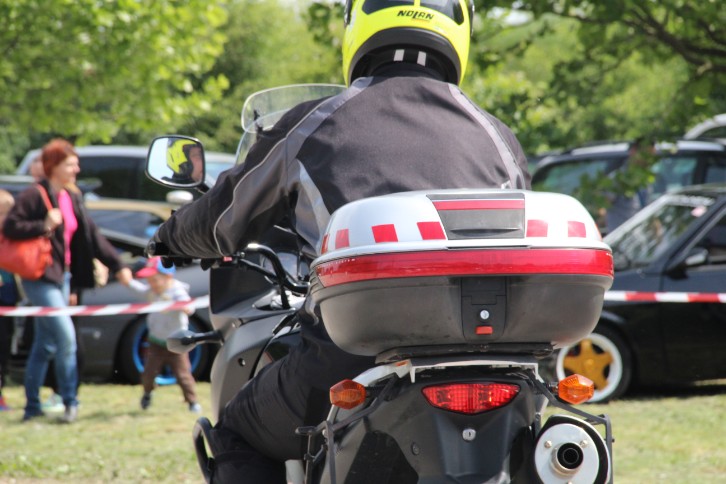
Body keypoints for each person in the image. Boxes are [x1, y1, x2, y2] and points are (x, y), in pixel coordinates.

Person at [149, 1, 530, 481]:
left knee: (237, 430)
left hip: (351, 359)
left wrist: (168, 236)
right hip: (495, 364)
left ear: (358, 27)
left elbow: (222, 218)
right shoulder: (497, 136)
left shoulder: (315, 123)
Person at [3, 138, 133, 423]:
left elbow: (92, 235)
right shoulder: (34, 195)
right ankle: (70, 402)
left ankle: (32, 407)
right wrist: (43, 225)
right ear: (54, 166)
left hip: (64, 278)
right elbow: (11, 227)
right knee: (66, 339)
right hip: (39, 278)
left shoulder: (71, 196)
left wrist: (118, 265)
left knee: (44, 344)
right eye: (71, 164)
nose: (77, 169)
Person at [122, 256, 201, 413]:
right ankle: (147, 393)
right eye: (149, 280)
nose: (151, 284)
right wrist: (127, 282)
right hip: (156, 341)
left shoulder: (177, 291)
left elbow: (188, 304)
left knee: (183, 375)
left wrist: (186, 308)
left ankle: (192, 401)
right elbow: (139, 290)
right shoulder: (152, 291)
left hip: (176, 343)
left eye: (155, 280)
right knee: (148, 373)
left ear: (168, 277)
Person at [0, 189, 20, 411]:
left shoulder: (12, 237)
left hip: (9, 301)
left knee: (4, 346)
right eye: (3, 213)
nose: (7, 218)